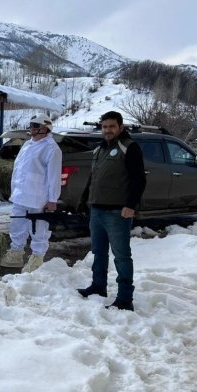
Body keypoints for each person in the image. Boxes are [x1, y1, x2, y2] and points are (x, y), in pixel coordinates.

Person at [76, 110, 146, 311]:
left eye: (112, 126)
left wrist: (130, 205)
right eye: (105, 126)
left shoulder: (129, 147)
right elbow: (93, 179)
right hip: (97, 210)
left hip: (118, 212)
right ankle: (99, 287)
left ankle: (125, 298)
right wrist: (84, 201)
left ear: (120, 127)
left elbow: (139, 179)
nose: (107, 130)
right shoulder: (99, 150)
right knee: (98, 252)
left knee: (121, 256)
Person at [0, 113, 62, 273]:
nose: (32, 129)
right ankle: (16, 253)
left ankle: (37, 258)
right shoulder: (27, 144)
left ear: (45, 128)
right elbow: (19, 169)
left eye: (35, 126)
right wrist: (14, 189)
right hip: (21, 194)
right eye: (31, 125)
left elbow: (54, 176)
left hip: (38, 196)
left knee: (38, 228)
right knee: (17, 224)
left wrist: (53, 198)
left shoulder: (52, 148)